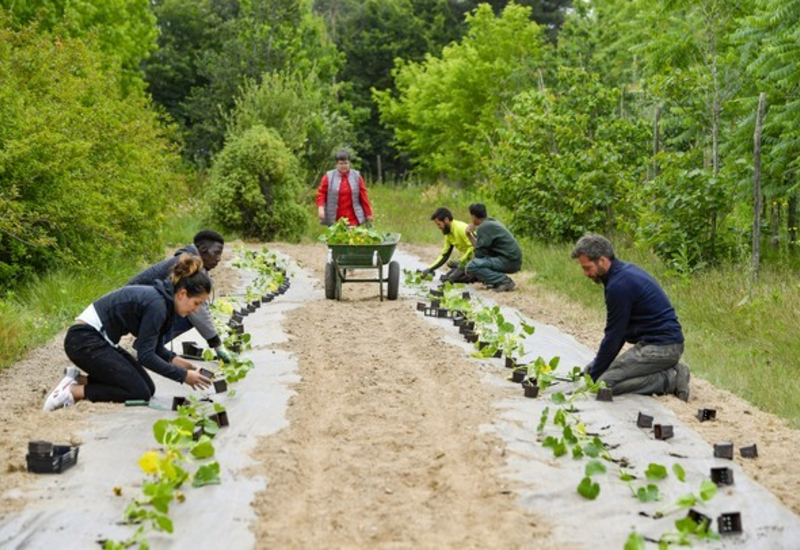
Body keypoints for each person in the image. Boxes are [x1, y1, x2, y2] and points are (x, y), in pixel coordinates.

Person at [43, 254, 213, 411]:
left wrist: (186, 365)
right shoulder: (158, 306)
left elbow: (156, 349)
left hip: (99, 341)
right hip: (84, 341)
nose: (196, 310)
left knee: (148, 388)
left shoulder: (165, 303)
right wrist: (183, 376)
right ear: (183, 294)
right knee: (138, 391)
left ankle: (78, 378)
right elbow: (145, 355)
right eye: (196, 303)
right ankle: (72, 392)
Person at [570, 233, 691, 400]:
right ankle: (667, 372)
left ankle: (671, 379)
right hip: (652, 344)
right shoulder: (622, 274)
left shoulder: (618, 286)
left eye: (587, 268)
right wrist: (597, 366)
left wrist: (595, 376)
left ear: (603, 261)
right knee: (602, 372)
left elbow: (614, 336)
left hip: (663, 347)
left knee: (604, 384)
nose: (586, 274)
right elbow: (618, 334)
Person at [127, 230, 231, 362]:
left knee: (187, 308)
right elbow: (198, 312)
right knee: (188, 313)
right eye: (216, 253)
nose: (219, 259)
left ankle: (149, 345)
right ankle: (148, 347)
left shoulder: (190, 260)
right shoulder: (189, 266)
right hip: (134, 309)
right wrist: (217, 345)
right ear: (203, 249)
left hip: (144, 308)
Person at [464, 203, 522, 292]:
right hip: (513, 260)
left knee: (472, 266)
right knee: (476, 264)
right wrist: (469, 235)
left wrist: (469, 268)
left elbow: (479, 253)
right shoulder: (490, 222)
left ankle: (504, 281)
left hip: (509, 261)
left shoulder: (483, 227)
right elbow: (482, 248)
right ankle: (496, 282)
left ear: (473, 216)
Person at [317, 150, 374, 226]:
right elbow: (321, 193)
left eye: (346, 163)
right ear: (336, 164)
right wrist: (320, 208)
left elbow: (364, 196)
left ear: (349, 163)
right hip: (335, 218)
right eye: (341, 163)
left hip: (353, 218)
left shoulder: (357, 176)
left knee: (353, 237)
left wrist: (368, 213)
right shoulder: (328, 176)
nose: (344, 166)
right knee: (338, 237)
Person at [421, 207, 475, 283]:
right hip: (466, 262)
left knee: (452, 278)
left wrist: (460, 261)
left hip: (477, 259)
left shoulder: (461, 228)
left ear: (446, 220)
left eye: (439, 224)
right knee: (445, 278)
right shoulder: (448, 234)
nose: (439, 227)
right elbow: (444, 255)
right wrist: (430, 268)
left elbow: (474, 247)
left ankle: (477, 276)